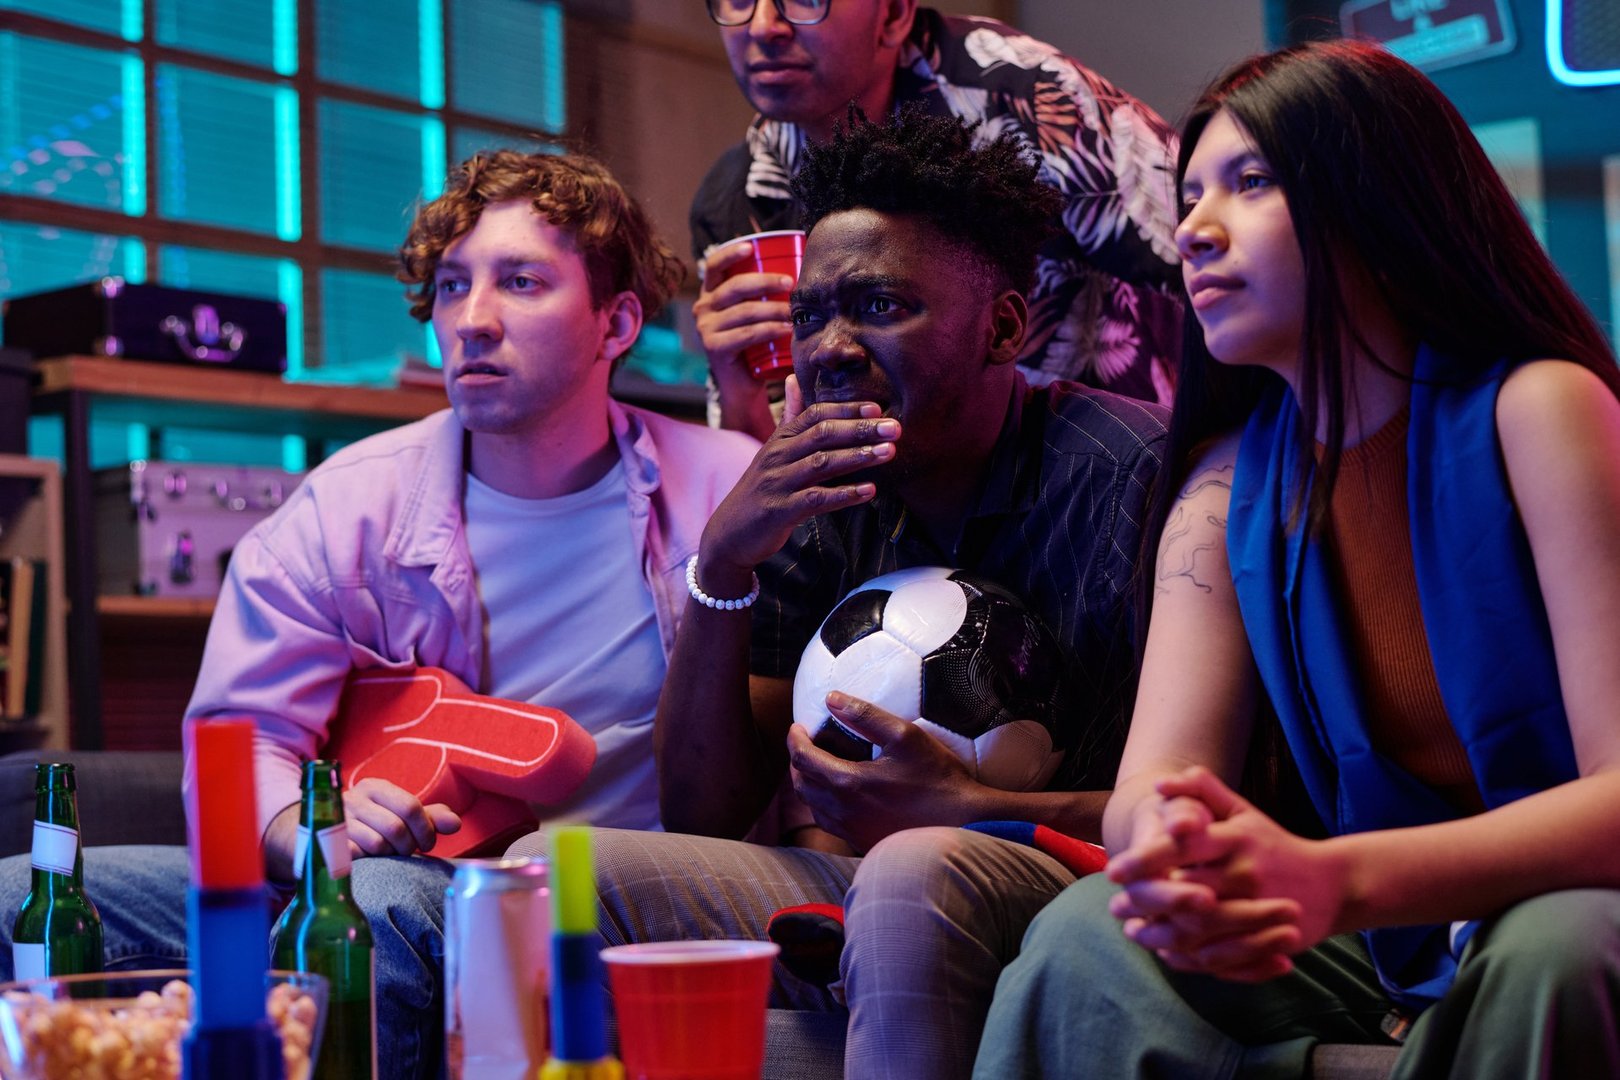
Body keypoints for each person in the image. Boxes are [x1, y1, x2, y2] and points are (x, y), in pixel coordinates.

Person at [0, 149, 758, 1079]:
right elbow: (241, 741)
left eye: (521, 282)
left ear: (617, 321)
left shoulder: (724, 489)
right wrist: (312, 831)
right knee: (14, 896)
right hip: (390, 881)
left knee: (389, 900)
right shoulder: (349, 504)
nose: (472, 321)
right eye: (450, 287)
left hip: (607, 902)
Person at [973, 39, 1620, 1079]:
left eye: (1251, 182)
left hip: (1565, 910)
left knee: (1557, 947)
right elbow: (1162, 776)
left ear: (1374, 200)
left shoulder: (1539, 408)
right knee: (1091, 933)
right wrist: (1178, 848)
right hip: (1390, 943)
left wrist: (1337, 879)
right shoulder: (1226, 479)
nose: (1193, 228)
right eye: (1187, 196)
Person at [519, 108, 1167, 1080]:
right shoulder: (820, 492)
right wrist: (724, 564)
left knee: (907, 872)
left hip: (1090, 888)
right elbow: (703, 809)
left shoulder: (1135, 481)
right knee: (554, 878)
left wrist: (963, 806)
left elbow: (1210, 806)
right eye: (811, 314)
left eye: (878, 307)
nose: (829, 347)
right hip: (866, 881)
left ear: (1002, 326)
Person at [691, 0, 1182, 440]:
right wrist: (739, 396)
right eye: (737, 0)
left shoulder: (1024, 95)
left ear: (894, 13)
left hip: (1108, 471)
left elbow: (1217, 260)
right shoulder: (738, 201)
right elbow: (779, 478)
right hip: (894, 509)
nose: (762, 25)